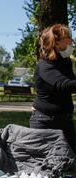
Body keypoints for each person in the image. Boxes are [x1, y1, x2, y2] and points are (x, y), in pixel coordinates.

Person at [30, 24, 76, 153]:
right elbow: (64, 85)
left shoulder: (66, 61)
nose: (72, 41)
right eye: (69, 37)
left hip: (65, 119)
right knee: (45, 166)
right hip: (45, 122)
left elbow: (72, 86)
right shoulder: (45, 65)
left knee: (71, 163)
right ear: (57, 42)